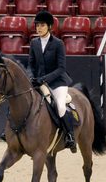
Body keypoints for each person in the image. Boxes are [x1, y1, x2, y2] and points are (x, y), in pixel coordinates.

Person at [28, 10, 77, 153]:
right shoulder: (34, 43)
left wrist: (44, 79)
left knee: (61, 106)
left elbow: (61, 68)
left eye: (42, 25)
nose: (38, 28)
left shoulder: (58, 44)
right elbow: (31, 64)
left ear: (49, 26)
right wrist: (32, 76)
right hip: (38, 82)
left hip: (57, 82)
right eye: (37, 25)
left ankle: (70, 137)